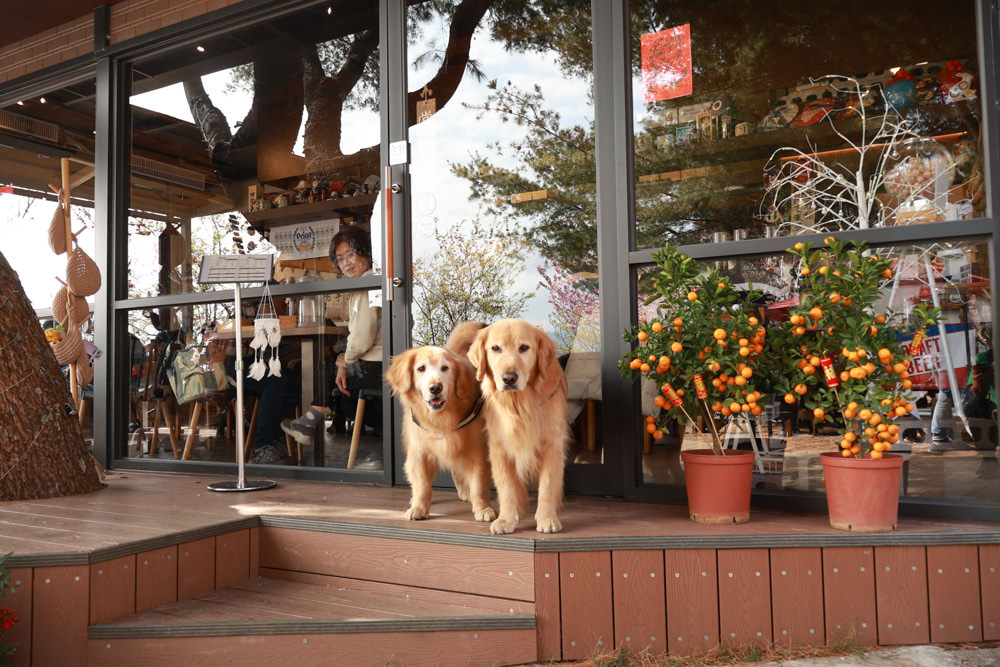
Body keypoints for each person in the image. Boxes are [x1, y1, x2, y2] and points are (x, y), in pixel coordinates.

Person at [281, 225, 382, 444]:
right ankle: (311, 420)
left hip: (380, 366)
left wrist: (345, 361)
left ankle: (310, 420)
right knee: (334, 361)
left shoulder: (368, 285)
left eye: (351, 255)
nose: (346, 263)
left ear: (365, 253)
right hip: (378, 362)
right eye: (340, 258)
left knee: (328, 365)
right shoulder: (367, 283)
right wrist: (344, 359)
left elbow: (363, 337)